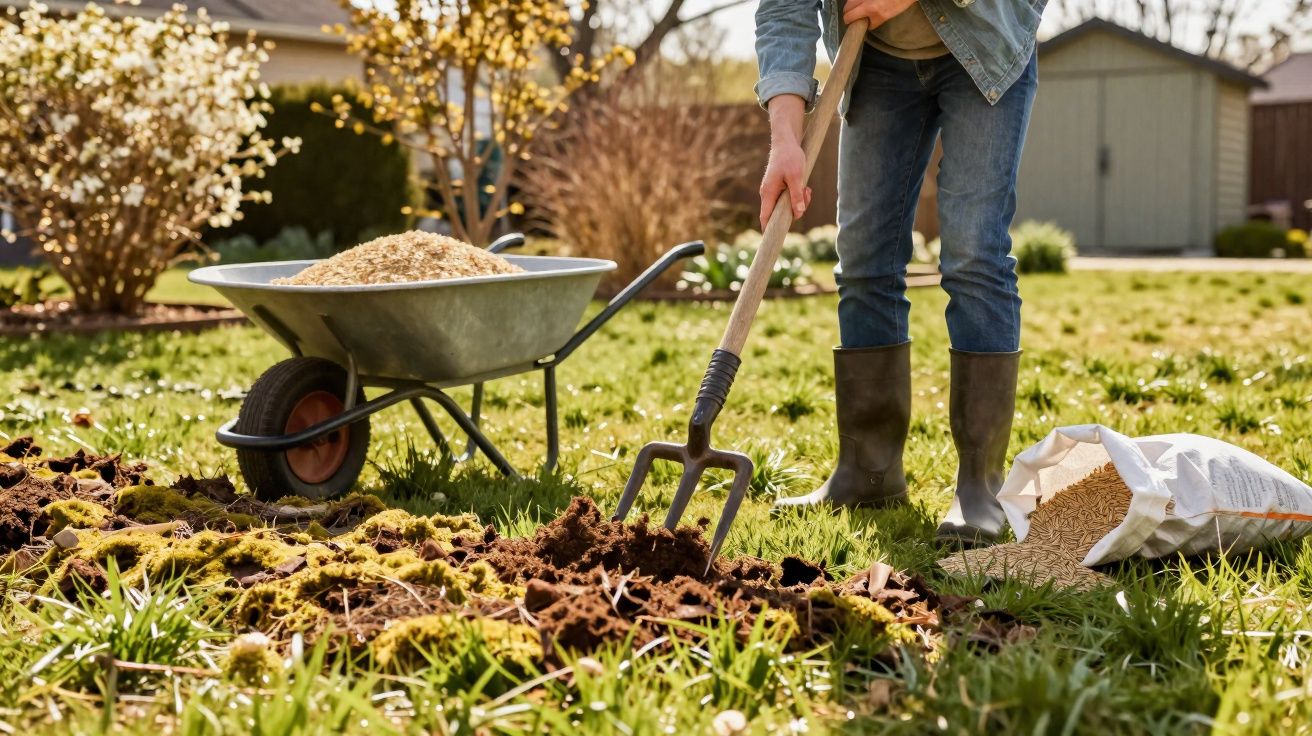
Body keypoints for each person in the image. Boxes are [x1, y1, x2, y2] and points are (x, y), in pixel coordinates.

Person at [757, 0, 1047, 544]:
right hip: (878, 63)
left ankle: (981, 486)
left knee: (973, 256)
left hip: (984, 44)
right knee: (864, 261)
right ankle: (869, 473)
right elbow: (783, 10)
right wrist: (786, 140)